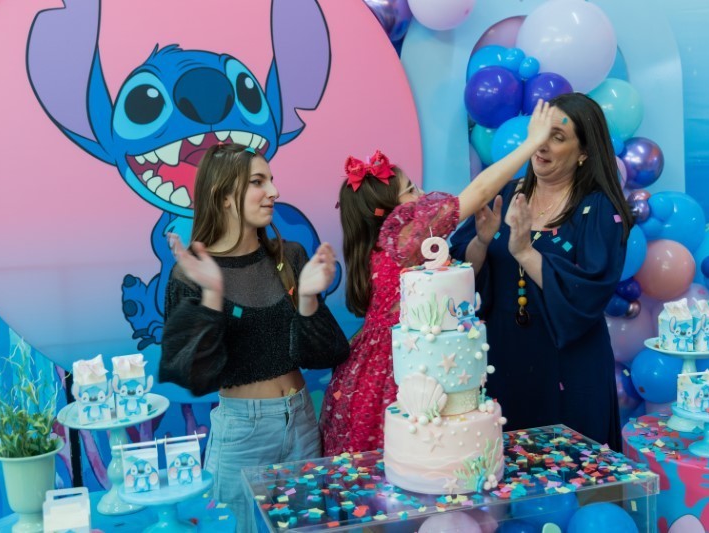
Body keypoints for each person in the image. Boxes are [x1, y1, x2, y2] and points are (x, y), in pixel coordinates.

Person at [320, 100, 558, 455]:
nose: (421, 195)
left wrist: (481, 240)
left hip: (383, 366)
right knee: (412, 454)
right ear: (390, 212)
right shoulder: (403, 239)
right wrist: (531, 143)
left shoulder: (383, 250)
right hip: (401, 370)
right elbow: (478, 192)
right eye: (410, 190)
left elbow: (452, 281)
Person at [159, 143, 349, 532]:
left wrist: (308, 299)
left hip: (301, 420)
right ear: (224, 196)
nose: (274, 192)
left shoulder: (290, 257)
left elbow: (326, 353)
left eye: (271, 180)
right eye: (258, 182)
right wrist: (212, 297)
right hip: (242, 433)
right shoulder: (192, 274)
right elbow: (195, 375)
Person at [449, 93, 634, 450]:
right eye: (540, 134)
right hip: (504, 359)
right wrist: (482, 242)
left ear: (583, 153)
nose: (542, 146)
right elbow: (460, 271)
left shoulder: (599, 209)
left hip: (569, 367)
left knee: (572, 469)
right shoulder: (505, 193)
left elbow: (590, 290)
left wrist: (524, 250)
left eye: (557, 137)